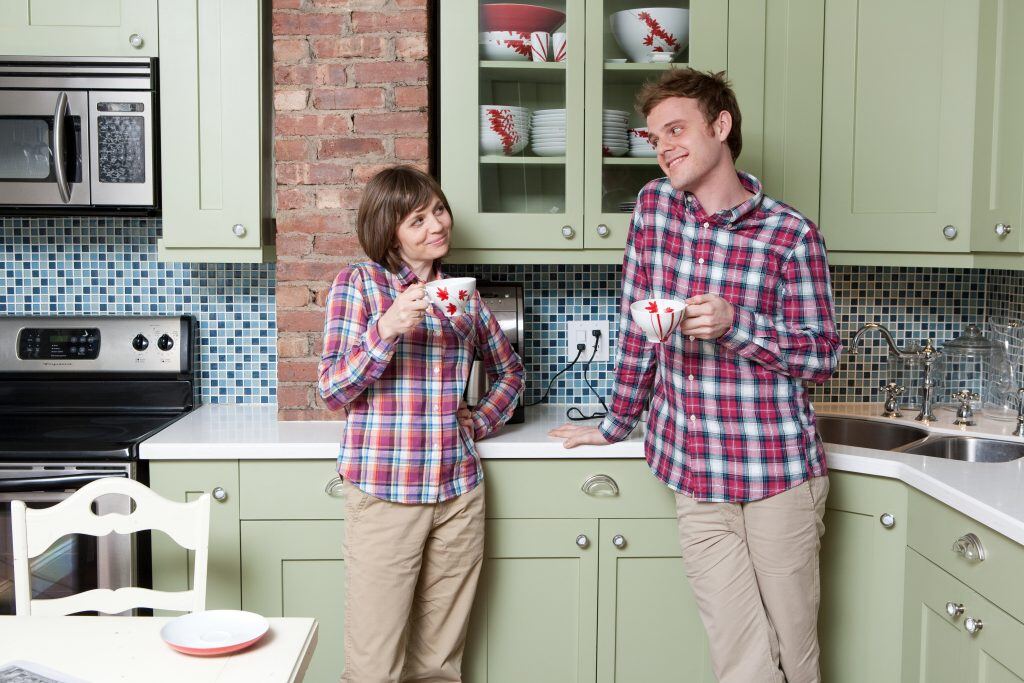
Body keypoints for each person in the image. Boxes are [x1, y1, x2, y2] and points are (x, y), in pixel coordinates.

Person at [550, 69, 841, 683]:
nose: (664, 147)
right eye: (655, 137)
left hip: (779, 475)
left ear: (722, 126)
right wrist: (614, 424)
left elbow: (820, 356)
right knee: (740, 657)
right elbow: (639, 328)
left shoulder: (790, 236)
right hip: (696, 472)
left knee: (795, 651)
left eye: (676, 129)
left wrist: (738, 326)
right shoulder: (654, 208)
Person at [318, 165, 524, 683]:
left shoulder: (463, 295)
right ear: (389, 231)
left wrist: (479, 422)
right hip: (385, 493)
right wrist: (385, 330)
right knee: (373, 666)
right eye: (418, 219)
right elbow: (333, 389)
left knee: (438, 666)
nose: (437, 225)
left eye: (438, 210)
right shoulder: (360, 285)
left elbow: (509, 372)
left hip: (458, 493)